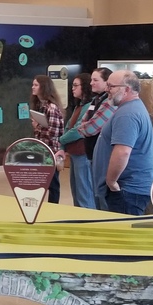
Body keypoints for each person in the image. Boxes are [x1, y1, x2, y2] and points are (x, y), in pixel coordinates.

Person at [93, 70, 153, 215]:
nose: (107, 90)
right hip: (128, 191)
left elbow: (122, 152)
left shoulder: (127, 114)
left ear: (126, 89)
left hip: (126, 192)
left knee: (122, 234)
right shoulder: (130, 108)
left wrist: (111, 182)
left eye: (111, 86)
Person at [64, 67, 117, 210]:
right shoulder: (95, 101)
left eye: (95, 80)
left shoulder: (110, 102)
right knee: (85, 194)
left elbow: (89, 128)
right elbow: (82, 125)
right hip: (89, 153)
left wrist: (81, 129)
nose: (92, 83)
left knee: (88, 196)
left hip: (95, 155)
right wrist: (84, 127)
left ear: (107, 82)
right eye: (91, 80)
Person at [56, 74, 96, 209]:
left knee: (84, 193)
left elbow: (77, 130)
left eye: (75, 85)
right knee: (77, 192)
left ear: (84, 87)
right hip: (74, 154)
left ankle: (89, 224)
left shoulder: (90, 106)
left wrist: (61, 140)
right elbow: (68, 127)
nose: (72, 88)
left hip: (83, 154)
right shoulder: (79, 106)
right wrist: (62, 144)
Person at [30, 74, 64, 203]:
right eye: (33, 84)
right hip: (42, 150)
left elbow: (53, 133)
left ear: (44, 87)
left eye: (36, 85)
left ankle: (53, 207)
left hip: (51, 151)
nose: (33, 87)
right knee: (44, 181)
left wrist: (37, 126)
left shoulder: (52, 108)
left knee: (53, 184)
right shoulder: (41, 106)